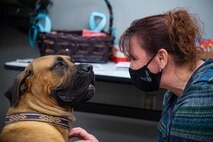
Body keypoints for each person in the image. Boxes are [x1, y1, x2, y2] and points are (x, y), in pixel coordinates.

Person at [69, 8, 213, 142]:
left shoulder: (200, 100)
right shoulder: (173, 93)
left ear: (161, 58)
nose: (131, 66)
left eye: (134, 59)